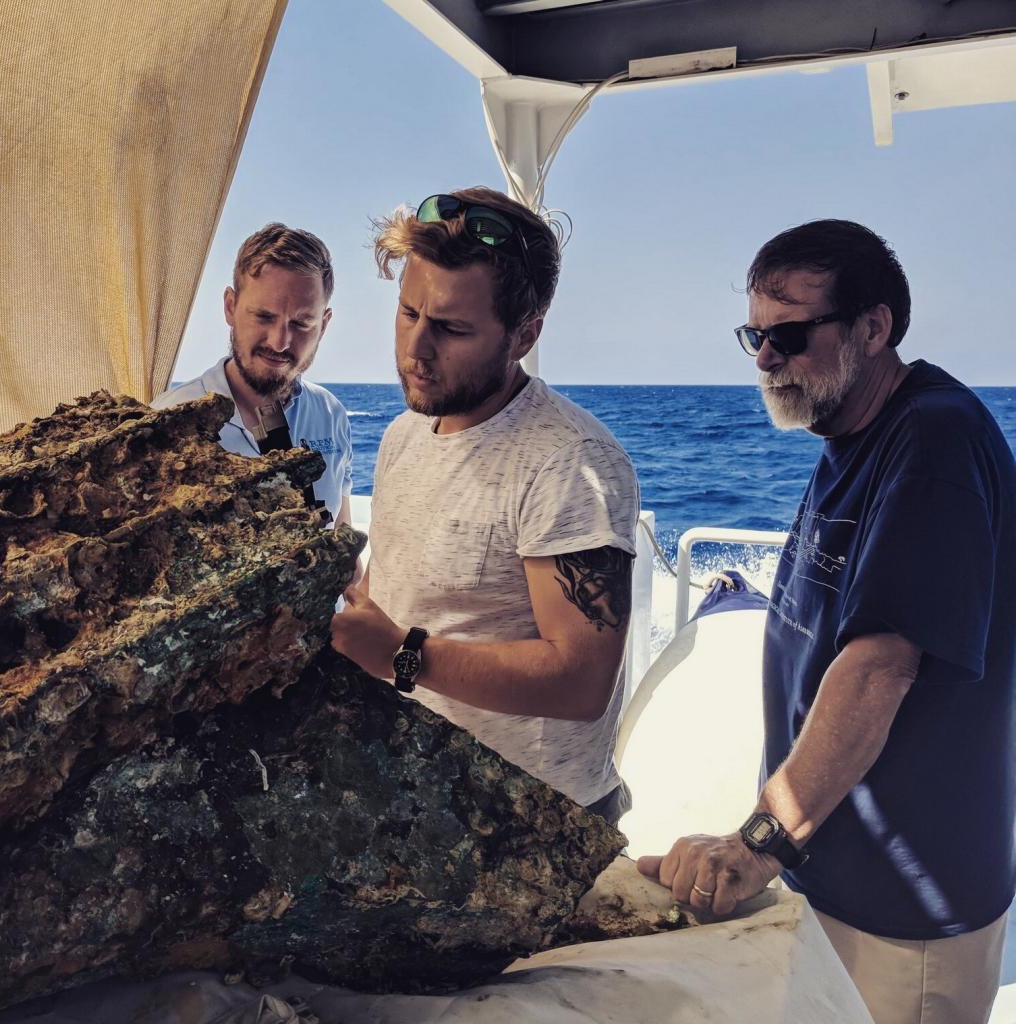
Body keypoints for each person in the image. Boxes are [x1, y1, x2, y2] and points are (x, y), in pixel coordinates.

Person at [638, 219, 1016, 1024]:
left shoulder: (933, 438)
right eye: (755, 335)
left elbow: (879, 668)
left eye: (792, 334)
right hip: (834, 874)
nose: (767, 358)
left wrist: (758, 844)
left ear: (873, 328)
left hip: (904, 913)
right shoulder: (852, 433)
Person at [328, 188, 640, 825]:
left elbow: (581, 681)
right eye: (408, 312)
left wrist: (400, 654)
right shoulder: (402, 435)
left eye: (451, 328)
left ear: (525, 334)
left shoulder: (568, 462)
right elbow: (401, 598)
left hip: (534, 826)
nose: (416, 348)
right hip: (412, 806)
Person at [153, 223, 353, 527]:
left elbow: (343, 537)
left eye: (301, 324)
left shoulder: (330, 414)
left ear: (323, 326)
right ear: (230, 307)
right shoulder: (166, 424)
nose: (279, 342)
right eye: (264, 316)